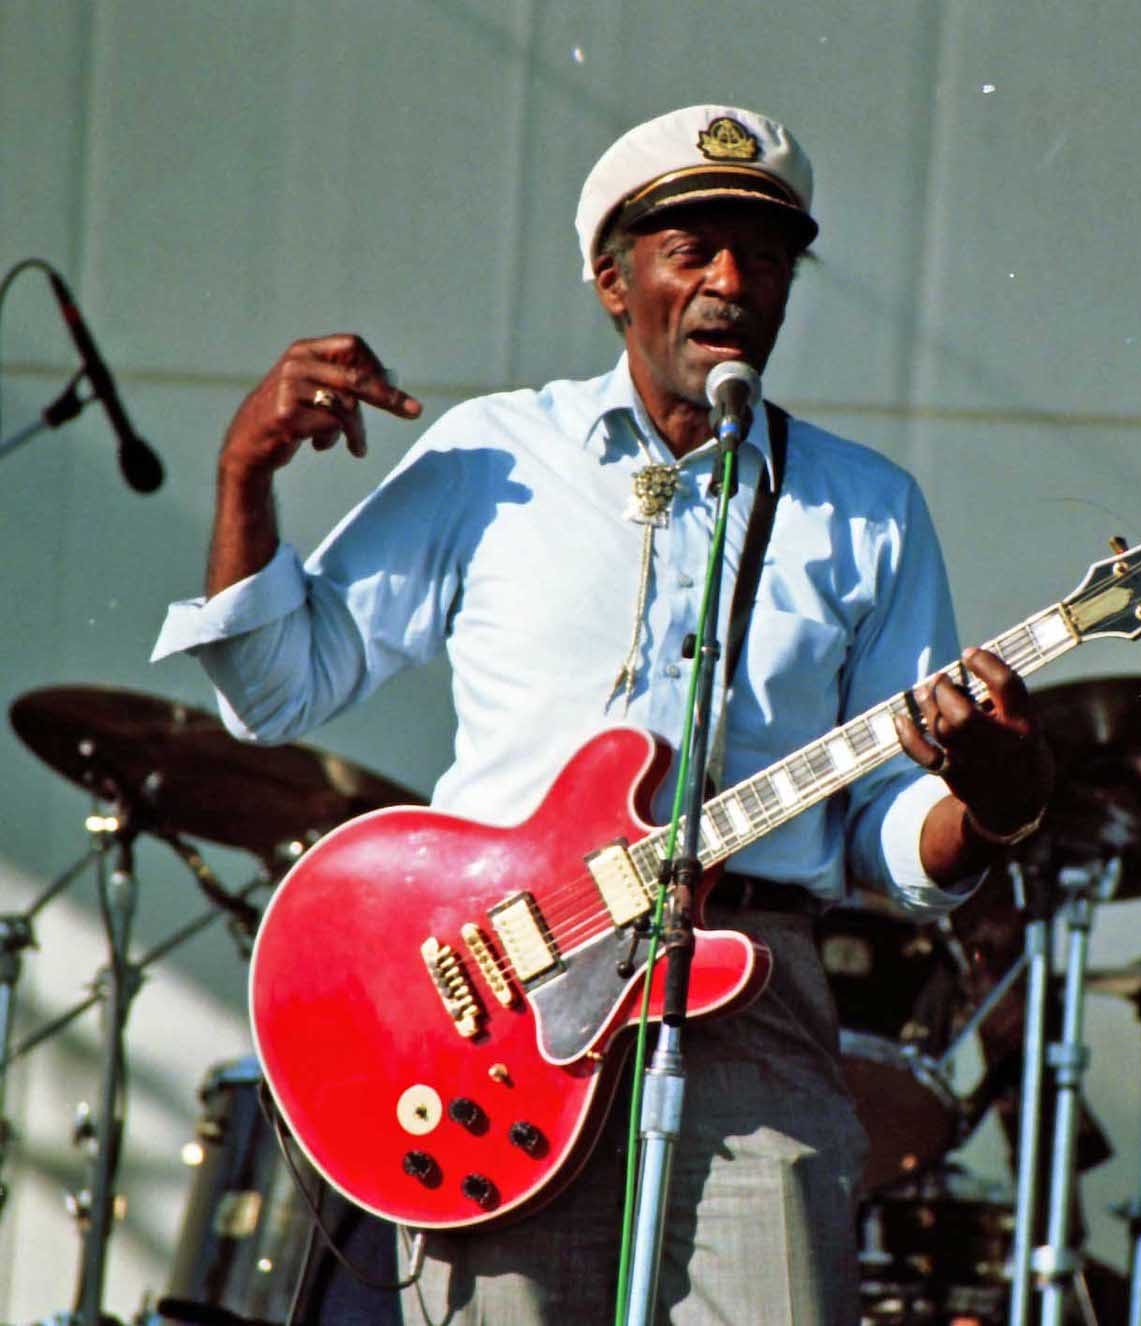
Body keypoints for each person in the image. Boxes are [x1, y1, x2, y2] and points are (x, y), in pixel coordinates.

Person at [153, 104, 1053, 1325]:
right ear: (610, 278)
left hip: (750, 1000)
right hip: (499, 1014)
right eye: (691, 248)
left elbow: (883, 835)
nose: (731, 282)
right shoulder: (490, 457)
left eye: (765, 254)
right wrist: (242, 476)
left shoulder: (866, 509)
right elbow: (273, 686)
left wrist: (986, 808)